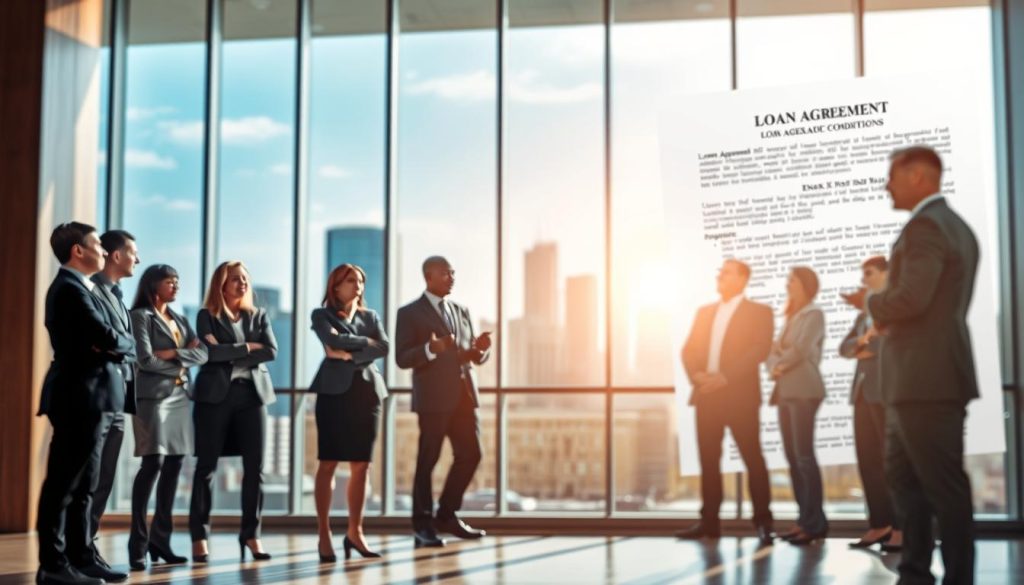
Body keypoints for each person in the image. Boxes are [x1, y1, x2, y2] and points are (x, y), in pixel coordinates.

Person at [858, 145, 979, 584]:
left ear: (918, 177)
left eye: (891, 175)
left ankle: (955, 578)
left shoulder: (927, 226)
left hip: (925, 381)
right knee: (909, 486)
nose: (885, 184)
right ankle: (914, 573)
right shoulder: (952, 226)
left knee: (941, 489)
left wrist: (873, 303)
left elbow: (911, 298)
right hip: (918, 379)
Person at [36, 221, 134, 585]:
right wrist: (115, 343)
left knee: (86, 483)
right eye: (97, 245)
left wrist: (115, 343)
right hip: (79, 396)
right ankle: (53, 565)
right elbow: (107, 337)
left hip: (97, 397)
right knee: (64, 484)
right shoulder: (67, 291)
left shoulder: (86, 289)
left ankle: (81, 556)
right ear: (78, 250)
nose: (105, 252)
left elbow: (119, 340)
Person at [676, 259, 775, 546]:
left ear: (743, 278)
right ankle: (709, 524)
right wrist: (697, 376)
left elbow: (759, 349)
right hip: (706, 395)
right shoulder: (704, 312)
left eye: (727, 272)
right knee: (708, 461)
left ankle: (763, 523)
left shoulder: (760, 312)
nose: (720, 275)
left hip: (740, 397)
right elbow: (688, 349)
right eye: (719, 271)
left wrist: (725, 377)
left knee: (753, 459)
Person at [395, 256, 491, 548]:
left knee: (472, 454)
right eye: (445, 273)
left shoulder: (461, 310)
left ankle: (446, 515)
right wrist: (430, 348)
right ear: (429, 277)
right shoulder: (410, 313)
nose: (451, 277)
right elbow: (402, 358)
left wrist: (479, 351)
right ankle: (423, 526)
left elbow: (467, 353)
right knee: (428, 461)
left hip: (464, 396)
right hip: (433, 400)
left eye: (453, 272)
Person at [189, 261, 278, 562]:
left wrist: (229, 350)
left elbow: (271, 351)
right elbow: (209, 354)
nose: (242, 284)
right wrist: (247, 348)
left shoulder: (258, 315)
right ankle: (199, 537)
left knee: (256, 470)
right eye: (235, 279)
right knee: (206, 469)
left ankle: (251, 535)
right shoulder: (206, 316)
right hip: (215, 398)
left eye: (245, 279)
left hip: (252, 396)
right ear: (221, 285)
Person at [128, 265, 207, 569]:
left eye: (177, 280)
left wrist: (173, 354)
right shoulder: (140, 317)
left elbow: (203, 354)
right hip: (153, 400)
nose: (175, 286)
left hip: (179, 398)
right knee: (153, 463)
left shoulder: (179, 319)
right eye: (169, 281)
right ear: (153, 285)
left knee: (174, 463)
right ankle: (138, 542)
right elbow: (145, 361)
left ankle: (161, 540)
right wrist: (182, 359)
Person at [309, 264, 389, 561]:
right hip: (332, 394)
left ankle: (355, 532)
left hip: (367, 393)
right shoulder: (321, 315)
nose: (358, 285)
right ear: (336, 286)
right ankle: (324, 533)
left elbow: (384, 346)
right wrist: (364, 344)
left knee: (362, 465)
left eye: (361, 280)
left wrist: (348, 352)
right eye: (351, 280)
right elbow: (331, 343)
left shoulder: (371, 317)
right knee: (328, 463)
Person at [840, 256, 903, 551]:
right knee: (868, 461)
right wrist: (864, 341)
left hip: (885, 392)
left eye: (869, 273)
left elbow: (886, 343)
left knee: (892, 462)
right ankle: (879, 525)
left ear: (886, 274)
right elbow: (845, 348)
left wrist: (864, 345)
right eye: (862, 273)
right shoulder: (864, 314)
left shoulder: (892, 307)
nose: (863, 278)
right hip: (862, 394)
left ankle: (901, 529)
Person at [87, 230, 140, 570]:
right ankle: (81, 549)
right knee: (89, 480)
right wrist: (126, 344)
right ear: (115, 255)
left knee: (104, 479)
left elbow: (126, 344)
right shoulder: (91, 290)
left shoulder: (118, 296)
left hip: (119, 399)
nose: (137, 258)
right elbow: (108, 341)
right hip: (99, 396)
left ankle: (88, 545)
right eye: (133, 252)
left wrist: (125, 343)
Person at [766, 266, 828, 545]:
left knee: (804, 457)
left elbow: (801, 349)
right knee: (793, 458)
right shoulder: (791, 315)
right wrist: (774, 365)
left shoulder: (814, 314)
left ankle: (815, 524)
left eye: (791, 280)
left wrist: (779, 362)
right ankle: (804, 520)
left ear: (804, 284)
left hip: (804, 389)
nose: (786, 284)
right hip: (784, 390)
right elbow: (771, 349)